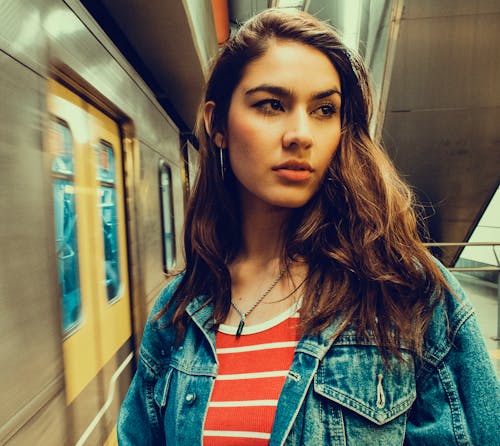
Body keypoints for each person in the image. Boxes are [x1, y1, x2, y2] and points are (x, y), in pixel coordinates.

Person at [118, 9, 499, 445]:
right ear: (217, 123)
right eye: (271, 105)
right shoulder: (178, 313)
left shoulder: (407, 295)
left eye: (323, 109)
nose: (301, 134)